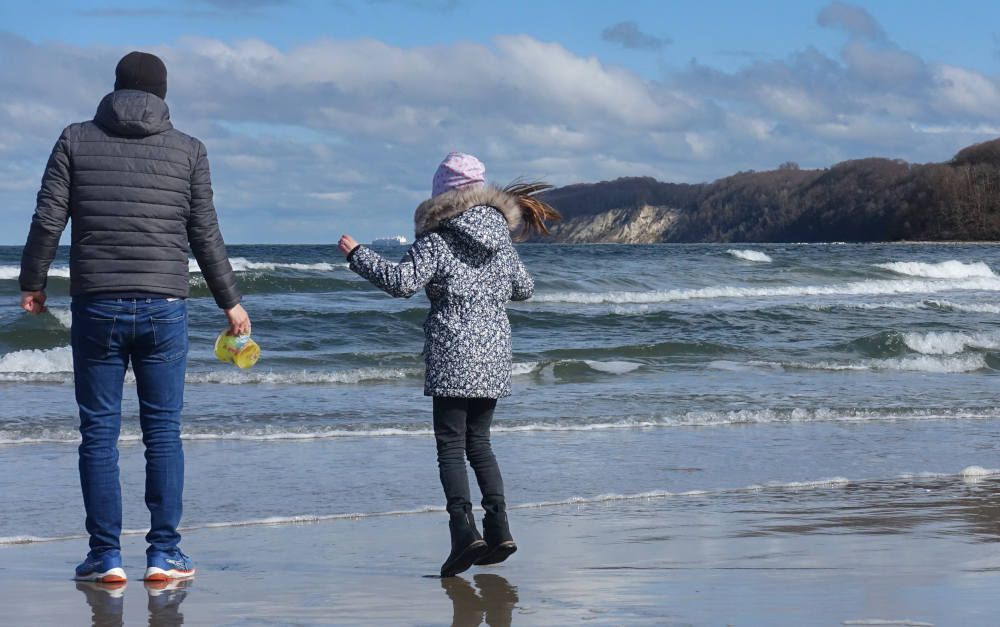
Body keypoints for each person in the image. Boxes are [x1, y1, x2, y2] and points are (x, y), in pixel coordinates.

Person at [18, 51, 250, 584]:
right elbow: (204, 232)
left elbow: (48, 215)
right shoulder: (189, 149)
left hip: (97, 302)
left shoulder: (74, 138)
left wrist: (34, 282)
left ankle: (106, 557)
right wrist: (230, 301)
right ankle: (164, 555)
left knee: (98, 433)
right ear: (163, 95)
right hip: (165, 306)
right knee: (163, 433)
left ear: (116, 87)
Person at [338, 152, 559, 577]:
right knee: (480, 444)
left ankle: (464, 533)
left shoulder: (438, 241)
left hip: (452, 354)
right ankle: (500, 529)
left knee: (451, 447)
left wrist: (358, 255)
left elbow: (402, 284)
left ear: (443, 198)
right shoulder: (501, 241)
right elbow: (525, 289)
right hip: (493, 357)